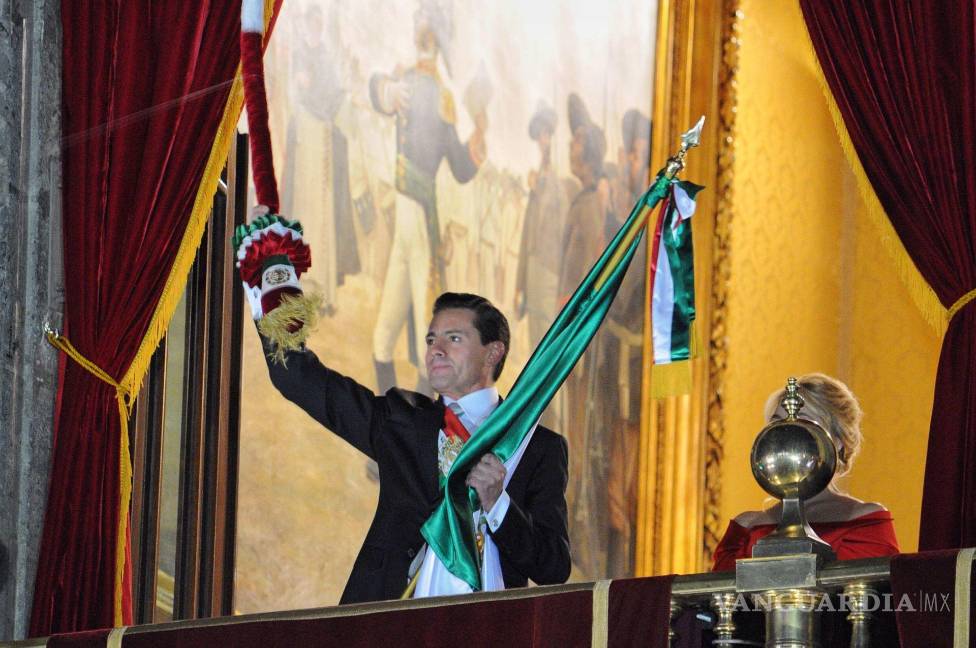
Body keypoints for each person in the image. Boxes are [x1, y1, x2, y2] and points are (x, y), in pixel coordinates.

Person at [261, 288, 570, 603]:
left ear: (492, 353)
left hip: (489, 629)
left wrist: (498, 505)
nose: (435, 349)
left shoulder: (536, 447)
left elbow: (554, 567)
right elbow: (297, 378)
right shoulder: (401, 421)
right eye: (431, 339)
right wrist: (272, 276)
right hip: (394, 624)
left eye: (454, 338)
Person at [368, 2, 487, 394]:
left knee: (423, 330)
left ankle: (416, 439)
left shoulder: (439, 95)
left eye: (426, 27)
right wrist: (386, 90)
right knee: (386, 333)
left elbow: (460, 167)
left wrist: (479, 133)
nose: (422, 34)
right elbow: (378, 91)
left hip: (418, 215)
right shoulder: (407, 80)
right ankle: (391, 434)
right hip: (408, 213)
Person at [712, 373, 900, 571]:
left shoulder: (864, 522)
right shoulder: (745, 528)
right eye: (777, 423)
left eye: (803, 423)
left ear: (837, 441)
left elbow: (869, 596)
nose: (785, 434)